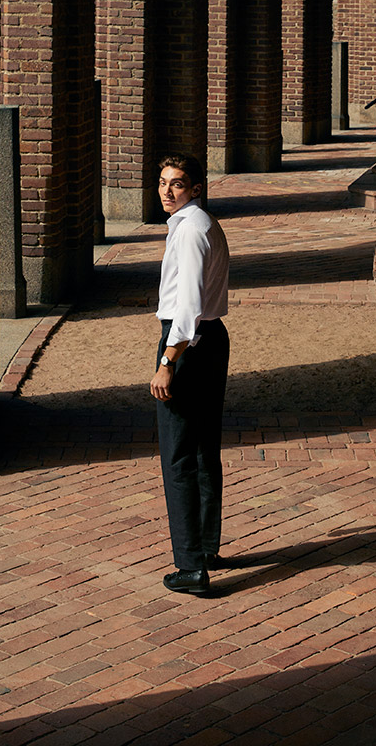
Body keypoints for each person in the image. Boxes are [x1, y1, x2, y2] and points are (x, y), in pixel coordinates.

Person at [149, 153, 230, 595]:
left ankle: (191, 567)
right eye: (162, 182)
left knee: (178, 455)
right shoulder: (202, 224)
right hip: (211, 339)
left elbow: (188, 307)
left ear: (195, 188)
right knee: (203, 450)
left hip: (188, 344)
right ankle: (207, 547)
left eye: (176, 184)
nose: (166, 191)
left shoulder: (190, 231)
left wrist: (167, 361)